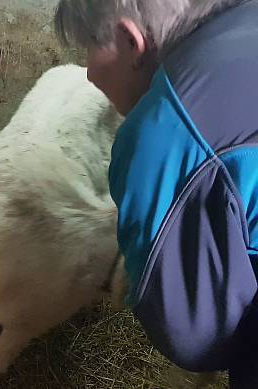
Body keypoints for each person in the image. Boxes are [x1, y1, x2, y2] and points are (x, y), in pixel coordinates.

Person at [54, 0, 258, 386]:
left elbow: (191, 335)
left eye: (92, 46)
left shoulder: (161, 130)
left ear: (131, 42)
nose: (89, 72)